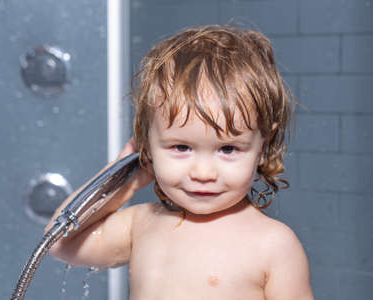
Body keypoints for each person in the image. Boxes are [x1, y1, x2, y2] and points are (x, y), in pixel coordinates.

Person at [46, 24, 314, 299]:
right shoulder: (142, 225)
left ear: (263, 146)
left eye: (228, 149)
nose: (203, 172)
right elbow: (60, 243)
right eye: (181, 147)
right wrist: (120, 179)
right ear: (147, 145)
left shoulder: (273, 244)